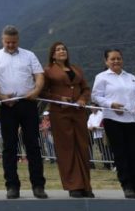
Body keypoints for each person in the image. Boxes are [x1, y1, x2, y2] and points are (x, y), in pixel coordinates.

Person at [0, 25, 47, 199]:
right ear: (2, 40)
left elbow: (39, 75)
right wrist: (1, 96)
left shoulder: (29, 55)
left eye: (13, 42)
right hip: (7, 106)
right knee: (9, 147)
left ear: (18, 40)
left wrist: (36, 91)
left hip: (28, 103)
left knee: (33, 145)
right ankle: (12, 186)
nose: (11, 45)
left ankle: (38, 186)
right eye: (7, 42)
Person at [91, 49, 135, 199]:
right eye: (112, 59)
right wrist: (111, 104)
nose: (116, 61)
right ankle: (127, 185)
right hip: (114, 120)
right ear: (106, 61)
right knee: (121, 154)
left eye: (118, 58)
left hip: (134, 120)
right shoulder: (102, 77)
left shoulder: (131, 77)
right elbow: (96, 96)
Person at [41, 42, 93, 198]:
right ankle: (74, 185)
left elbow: (86, 89)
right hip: (60, 113)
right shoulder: (48, 71)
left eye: (63, 49)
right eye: (58, 50)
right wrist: (59, 98)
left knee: (82, 146)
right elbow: (43, 92)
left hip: (78, 112)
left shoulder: (76, 69)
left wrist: (83, 99)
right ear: (53, 54)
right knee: (66, 148)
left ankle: (86, 185)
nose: (61, 51)